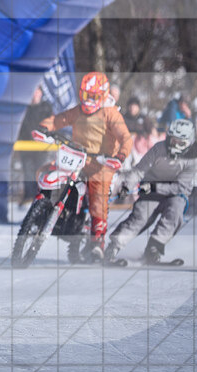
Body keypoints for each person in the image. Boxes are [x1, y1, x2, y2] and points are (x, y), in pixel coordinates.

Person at [33, 71, 133, 261]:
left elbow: (125, 138)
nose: (88, 101)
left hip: (100, 164)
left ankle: (97, 243)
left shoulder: (110, 114)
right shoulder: (78, 110)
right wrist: (44, 128)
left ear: (102, 95)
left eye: (93, 97)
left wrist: (119, 156)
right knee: (44, 171)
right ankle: (41, 210)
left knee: (97, 199)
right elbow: (58, 120)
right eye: (85, 96)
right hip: (76, 157)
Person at [104, 118, 197, 266]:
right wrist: (126, 186)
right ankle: (113, 247)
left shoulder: (194, 156)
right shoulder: (158, 149)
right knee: (141, 217)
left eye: (180, 143)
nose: (174, 145)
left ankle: (154, 247)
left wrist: (155, 188)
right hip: (151, 188)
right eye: (172, 140)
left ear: (188, 142)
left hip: (175, 193)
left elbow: (181, 187)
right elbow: (138, 171)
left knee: (175, 212)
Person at [16, 86, 52, 203]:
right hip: (26, 146)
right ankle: (28, 196)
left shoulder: (46, 107)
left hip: (42, 148)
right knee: (28, 172)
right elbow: (21, 127)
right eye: (34, 91)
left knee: (40, 172)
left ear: (41, 93)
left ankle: (40, 198)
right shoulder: (25, 108)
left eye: (38, 91)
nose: (35, 94)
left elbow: (51, 125)